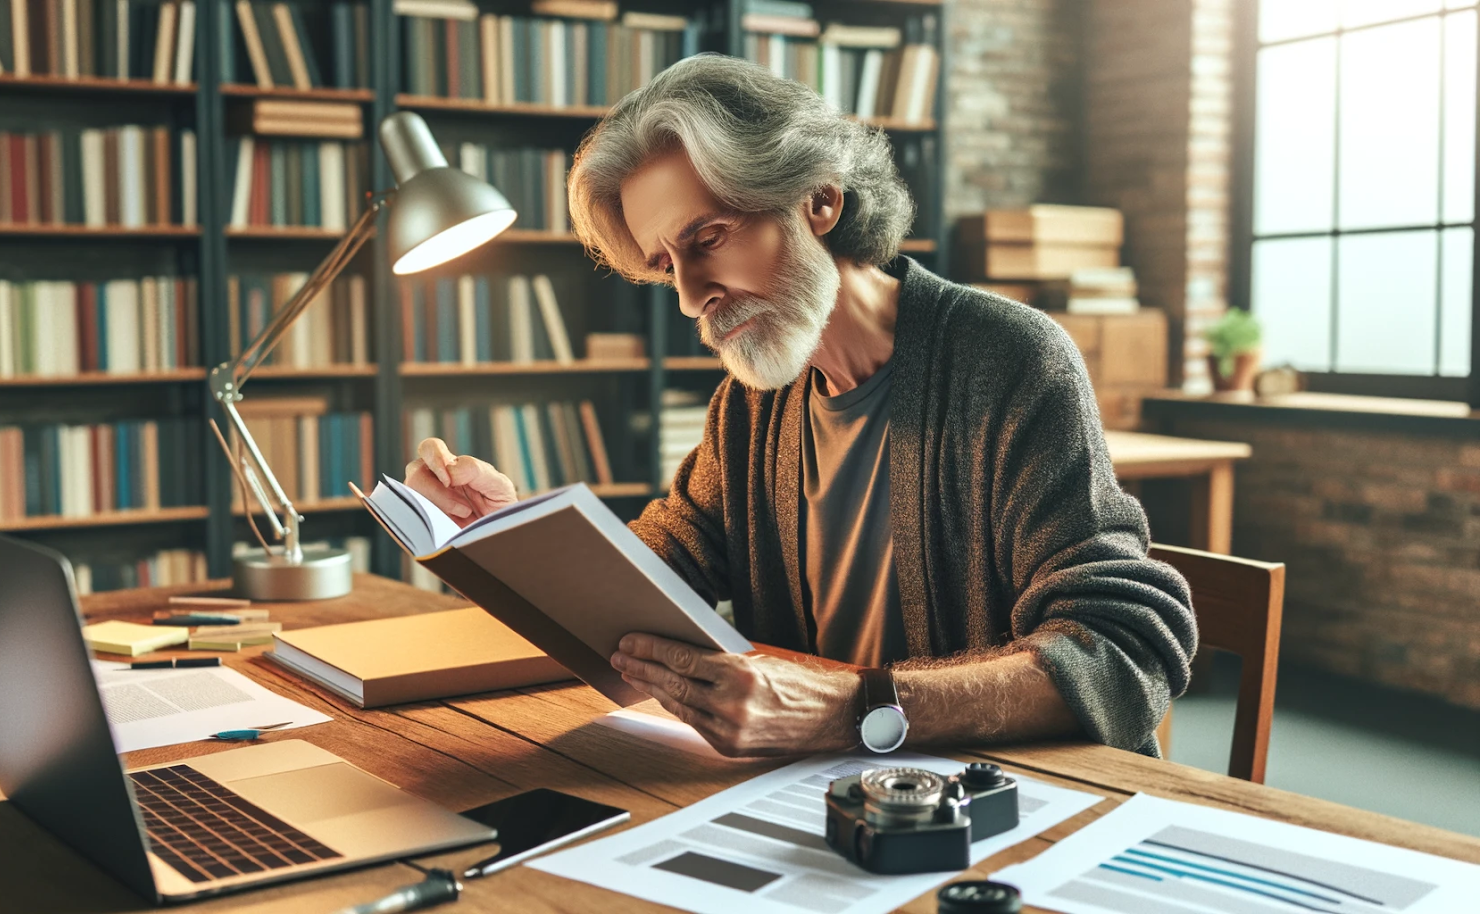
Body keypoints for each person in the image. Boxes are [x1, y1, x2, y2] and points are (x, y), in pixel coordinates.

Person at [406, 54, 1196, 759]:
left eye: (708, 237)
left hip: (999, 801)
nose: (688, 297)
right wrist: (519, 540)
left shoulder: (1011, 360)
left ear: (818, 200)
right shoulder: (751, 406)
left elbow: (1121, 650)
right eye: (665, 263)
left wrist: (853, 711)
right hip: (816, 795)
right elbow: (660, 570)